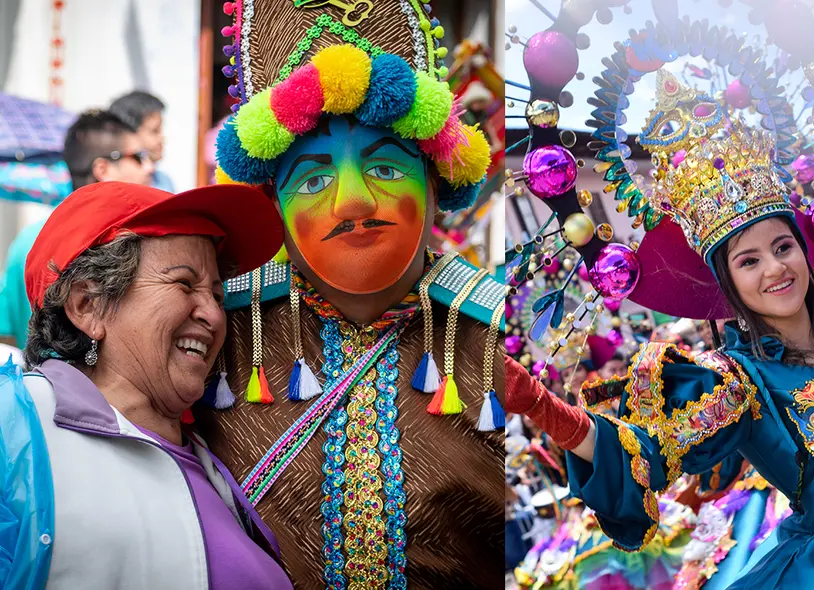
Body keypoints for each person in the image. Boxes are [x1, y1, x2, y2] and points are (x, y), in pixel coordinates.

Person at [506, 76, 814, 589]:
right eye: (749, 260)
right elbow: (643, 453)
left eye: (783, 247)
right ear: (728, 283)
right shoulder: (739, 383)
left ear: (803, 251)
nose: (774, 269)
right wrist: (544, 408)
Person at [194, 3, 506, 588]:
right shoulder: (216, 335)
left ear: (436, 182)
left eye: (386, 168)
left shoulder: (498, 332)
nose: (352, 202)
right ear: (275, 209)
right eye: (313, 180)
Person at [0, 181, 291, 589]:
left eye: (217, 295)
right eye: (184, 284)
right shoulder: (15, 427)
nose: (214, 315)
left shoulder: (211, 462)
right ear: (89, 306)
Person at [0, 110, 153, 349]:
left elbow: (6, 335)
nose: (149, 167)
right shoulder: (115, 243)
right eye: (138, 157)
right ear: (103, 169)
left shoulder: (26, 240)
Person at [109, 90, 173, 191]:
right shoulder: (114, 184)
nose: (162, 138)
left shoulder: (163, 182)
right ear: (129, 134)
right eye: (154, 131)